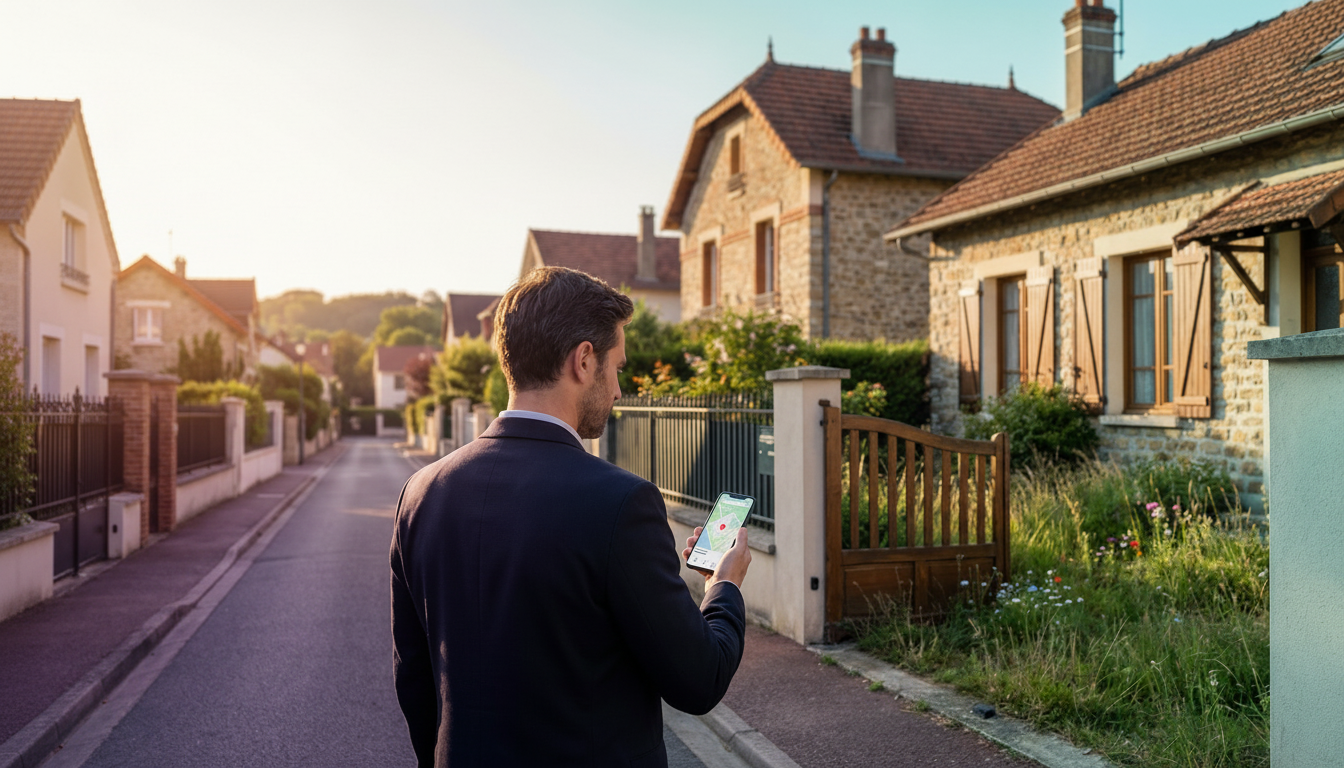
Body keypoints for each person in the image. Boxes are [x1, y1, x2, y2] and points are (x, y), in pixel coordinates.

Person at [390, 266, 752, 767]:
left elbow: (414, 677)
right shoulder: (620, 504)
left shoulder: (420, 493)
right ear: (584, 360)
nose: (620, 389)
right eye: (618, 367)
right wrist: (724, 586)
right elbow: (699, 679)